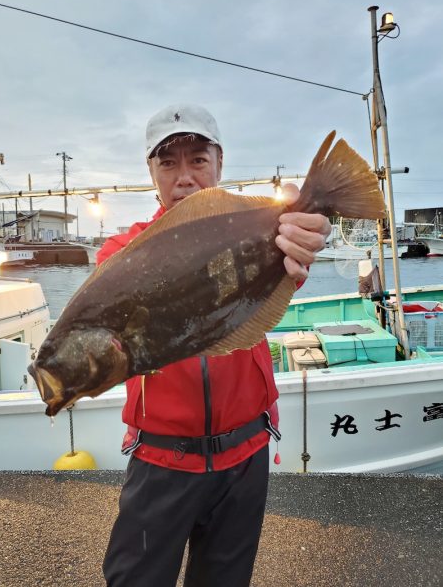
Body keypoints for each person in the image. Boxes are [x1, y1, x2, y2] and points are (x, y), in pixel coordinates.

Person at [100, 103, 331, 587]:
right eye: (169, 163)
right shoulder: (122, 254)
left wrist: (303, 234)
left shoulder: (259, 229)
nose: (184, 177)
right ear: (152, 173)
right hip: (161, 459)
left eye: (198, 160)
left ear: (220, 165)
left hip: (246, 452)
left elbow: (293, 264)